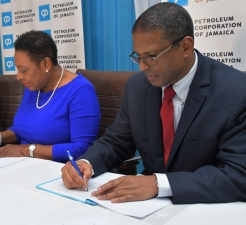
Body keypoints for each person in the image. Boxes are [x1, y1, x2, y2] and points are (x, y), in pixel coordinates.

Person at [61, 2, 246, 204]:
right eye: (138, 57)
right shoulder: (137, 87)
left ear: (185, 46)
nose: (142, 67)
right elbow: (117, 141)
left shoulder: (235, 92)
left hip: (207, 207)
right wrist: (87, 162)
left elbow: (238, 175)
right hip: (148, 208)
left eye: (151, 57)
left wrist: (159, 184)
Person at [0, 30, 100, 163]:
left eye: (23, 70)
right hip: (23, 163)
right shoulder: (34, 86)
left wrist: (25, 150)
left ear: (45, 64)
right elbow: (24, 130)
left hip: (57, 169)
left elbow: (82, 148)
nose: (18, 76)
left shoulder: (80, 91)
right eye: (17, 69)